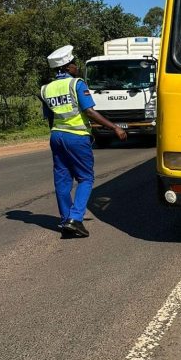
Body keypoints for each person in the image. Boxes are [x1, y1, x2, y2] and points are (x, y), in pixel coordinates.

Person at [40, 45, 127, 238]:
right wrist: (114, 127)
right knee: (86, 178)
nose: (76, 67)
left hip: (56, 136)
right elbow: (89, 111)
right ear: (67, 66)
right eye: (73, 64)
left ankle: (65, 221)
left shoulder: (46, 89)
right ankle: (75, 219)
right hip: (76, 137)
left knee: (62, 180)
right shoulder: (76, 84)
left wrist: (59, 136)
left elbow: (50, 118)